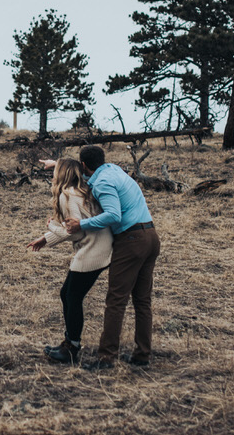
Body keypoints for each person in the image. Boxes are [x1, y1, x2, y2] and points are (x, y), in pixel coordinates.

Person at [63, 145, 160, 369]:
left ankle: (106, 357)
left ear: (85, 165)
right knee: (142, 300)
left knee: (116, 300)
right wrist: (56, 164)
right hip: (150, 236)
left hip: (131, 240)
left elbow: (113, 215)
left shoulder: (103, 182)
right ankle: (142, 355)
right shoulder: (114, 171)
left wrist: (81, 223)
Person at [27, 158, 113, 364]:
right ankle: (70, 343)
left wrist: (51, 228)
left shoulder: (67, 196)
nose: (53, 174)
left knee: (71, 296)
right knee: (68, 294)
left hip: (94, 251)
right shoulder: (79, 192)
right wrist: (46, 239)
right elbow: (73, 228)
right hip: (100, 246)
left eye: (55, 170)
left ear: (61, 174)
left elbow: (74, 232)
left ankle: (71, 348)